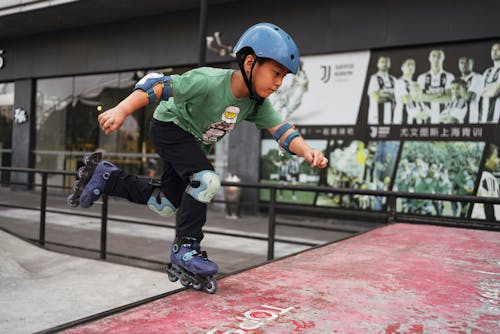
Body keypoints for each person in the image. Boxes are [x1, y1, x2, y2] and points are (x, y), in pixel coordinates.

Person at [75, 23, 328, 289]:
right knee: (206, 180)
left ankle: (107, 177)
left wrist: (307, 151)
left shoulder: (256, 104)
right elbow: (157, 84)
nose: (278, 83)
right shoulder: (209, 81)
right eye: (276, 73)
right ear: (251, 62)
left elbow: (283, 132)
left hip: (191, 144)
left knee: (165, 204)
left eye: (283, 78)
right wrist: (122, 109)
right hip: (169, 127)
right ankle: (186, 248)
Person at [416, 49, 455, 124]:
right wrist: (439, 94)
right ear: (429, 58)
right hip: (426, 118)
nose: (436, 59)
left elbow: (449, 97)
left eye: (439, 56)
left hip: (443, 118)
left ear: (443, 58)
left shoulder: (449, 76)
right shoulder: (422, 77)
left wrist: (427, 96)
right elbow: (419, 97)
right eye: (434, 56)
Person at [393, 58, 430, 124]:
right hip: (404, 119)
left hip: (419, 119)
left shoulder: (415, 83)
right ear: (402, 68)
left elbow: (421, 100)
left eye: (413, 65)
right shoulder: (399, 82)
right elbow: (405, 99)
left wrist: (425, 111)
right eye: (408, 64)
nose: (411, 66)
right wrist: (416, 93)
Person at [367, 56, 396, 125]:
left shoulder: (393, 79)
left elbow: (398, 98)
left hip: (391, 119)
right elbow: (377, 98)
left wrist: (383, 93)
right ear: (378, 64)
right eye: (382, 62)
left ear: (389, 64)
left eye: (386, 62)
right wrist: (391, 97)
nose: (384, 64)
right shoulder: (374, 78)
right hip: (376, 119)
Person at [479, 43, 500, 123]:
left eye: (497, 50)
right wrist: (492, 87)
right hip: (483, 118)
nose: (494, 52)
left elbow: (494, 92)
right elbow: (479, 91)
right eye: (492, 50)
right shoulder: (487, 71)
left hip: (497, 118)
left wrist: (485, 90)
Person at [458, 56, 482, 123]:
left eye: (467, 62)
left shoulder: (477, 77)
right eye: (461, 63)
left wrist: (461, 87)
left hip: (471, 119)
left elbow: (468, 97)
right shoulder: (458, 80)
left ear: (472, 64)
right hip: (458, 119)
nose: (463, 65)